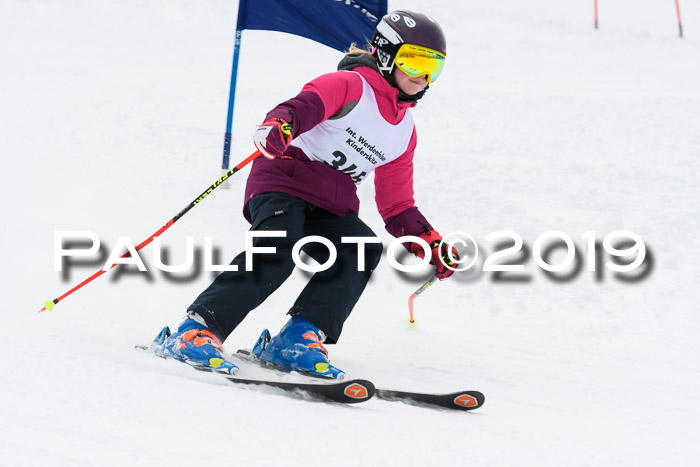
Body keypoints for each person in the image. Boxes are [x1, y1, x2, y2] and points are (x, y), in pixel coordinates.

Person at [150, 10, 458, 378]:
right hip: (285, 179)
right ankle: (196, 330)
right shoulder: (349, 85)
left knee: (361, 247)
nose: (423, 76)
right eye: (414, 61)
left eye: (433, 67)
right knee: (281, 246)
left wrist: (428, 241)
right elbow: (300, 107)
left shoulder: (404, 132)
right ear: (387, 53)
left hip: (332, 201)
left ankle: (298, 337)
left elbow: (396, 204)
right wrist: (279, 125)